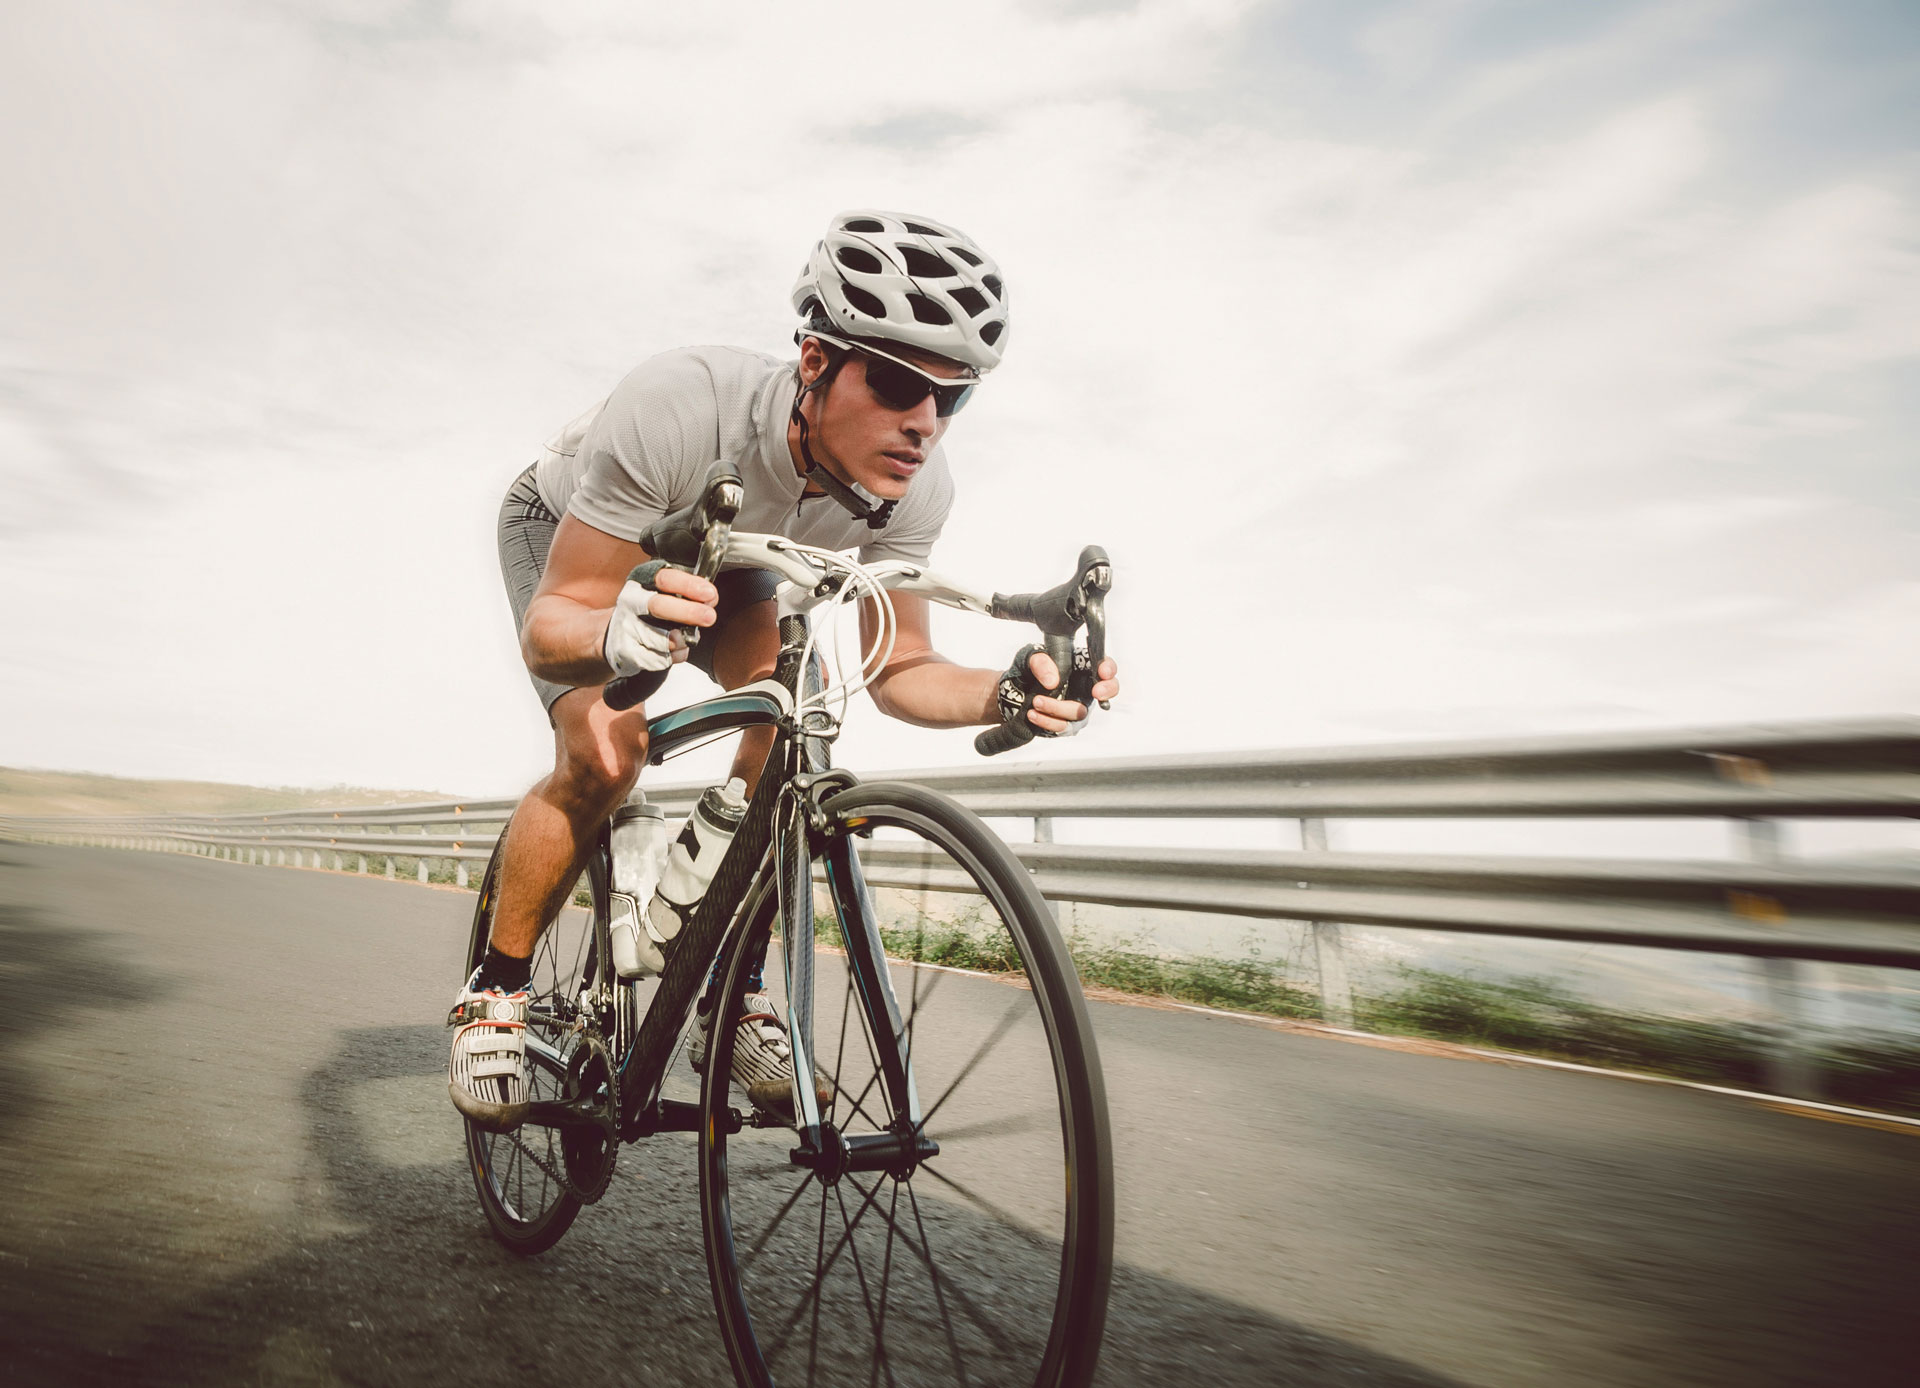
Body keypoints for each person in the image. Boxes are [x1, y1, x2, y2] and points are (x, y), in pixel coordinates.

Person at [449, 210, 1122, 1130]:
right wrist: (614, 636)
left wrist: (1007, 691)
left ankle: (734, 988)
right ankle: (496, 988)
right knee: (608, 757)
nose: (923, 424)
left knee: (791, 744)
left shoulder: (913, 487)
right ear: (815, 361)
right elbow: (552, 627)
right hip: (583, 530)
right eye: (895, 383)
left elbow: (902, 666)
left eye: (951, 398)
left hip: (737, 553)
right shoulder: (681, 405)